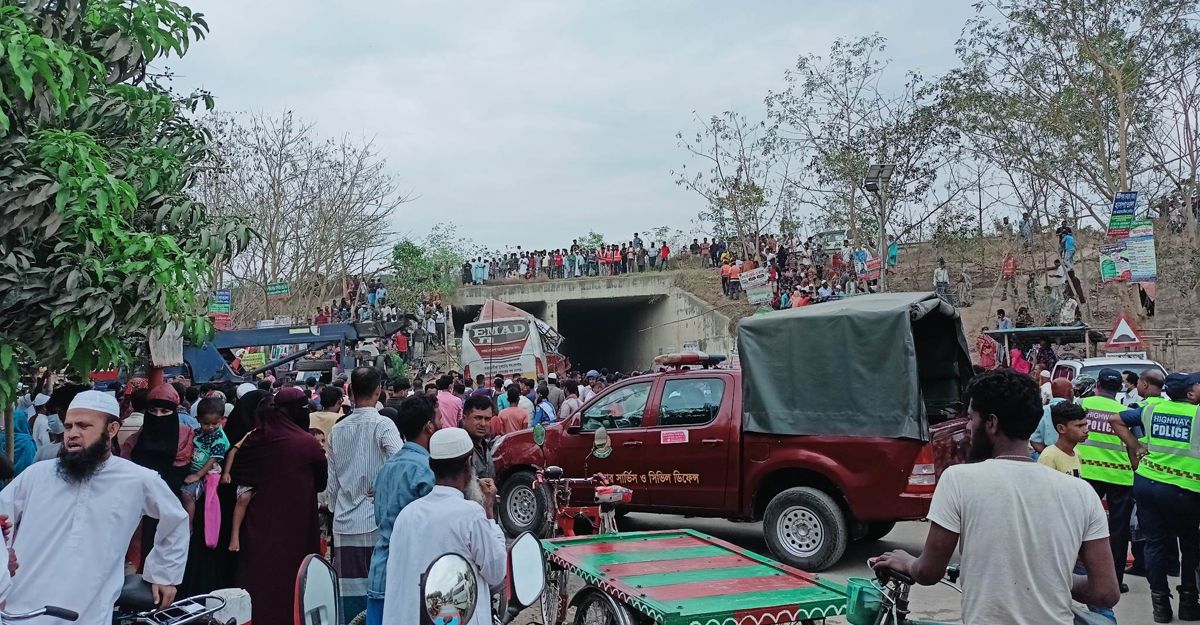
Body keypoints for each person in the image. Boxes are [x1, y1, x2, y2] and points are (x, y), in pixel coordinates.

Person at [872, 369, 1119, 625]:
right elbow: (1106, 592)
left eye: (971, 418)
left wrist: (907, 562)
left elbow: (929, 572)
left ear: (992, 423)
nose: (967, 427)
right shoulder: (1082, 493)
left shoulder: (959, 480)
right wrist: (1052, 578)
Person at [0, 390, 189, 623]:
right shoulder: (37, 475)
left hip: (89, 610)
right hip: (20, 609)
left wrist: (163, 575)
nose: (72, 434)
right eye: (68, 426)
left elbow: (176, 520)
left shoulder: (138, 479)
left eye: (84, 426)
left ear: (111, 429)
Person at [382, 428, 506, 625]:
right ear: (469, 463)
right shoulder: (471, 514)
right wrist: (489, 513)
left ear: (432, 466)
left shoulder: (407, 514)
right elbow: (496, 572)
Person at [229, 387, 328, 625]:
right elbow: (321, 483)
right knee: (294, 581)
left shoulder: (255, 439)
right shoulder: (307, 444)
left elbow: (238, 471)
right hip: (297, 524)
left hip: (259, 524)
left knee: (261, 581)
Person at [1108, 371, 1200, 622]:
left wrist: (1136, 447)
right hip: (1184, 489)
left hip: (1147, 483)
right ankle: (1188, 603)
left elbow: (1115, 419)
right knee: (1190, 545)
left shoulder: (1153, 409)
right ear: (1190, 394)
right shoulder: (1197, 414)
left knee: (1154, 544)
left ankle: (1160, 606)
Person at [328, 367, 404, 623]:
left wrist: (332, 508)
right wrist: (382, 483)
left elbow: (332, 483)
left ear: (350, 391)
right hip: (375, 520)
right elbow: (399, 459)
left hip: (343, 523)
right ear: (378, 391)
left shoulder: (338, 429)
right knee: (378, 590)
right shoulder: (383, 424)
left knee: (349, 596)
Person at [365, 394, 437, 625]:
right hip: (410, 578)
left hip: (380, 572)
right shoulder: (427, 470)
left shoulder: (386, 468)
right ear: (429, 426)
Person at [1077, 368, 1135, 594]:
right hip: (1120, 477)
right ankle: (1115, 580)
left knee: (1081, 526)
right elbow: (1134, 445)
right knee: (1119, 531)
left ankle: (1080, 576)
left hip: (1087, 474)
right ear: (1119, 388)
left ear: (1097, 386)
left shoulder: (1082, 405)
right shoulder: (1125, 412)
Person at [180, 398, 229, 531]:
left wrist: (197, 475)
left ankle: (188, 526)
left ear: (222, 419)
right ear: (198, 419)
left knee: (186, 495)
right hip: (190, 470)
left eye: (215, 423)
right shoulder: (197, 432)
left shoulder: (219, 438)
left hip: (204, 475)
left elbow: (213, 459)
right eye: (206, 423)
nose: (211, 427)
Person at [1037, 402, 1089, 477]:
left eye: (1085, 425)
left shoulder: (1077, 454)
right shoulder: (1049, 457)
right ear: (1061, 428)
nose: (1086, 430)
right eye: (1079, 426)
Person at [1031, 378, 1074, 455]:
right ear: (1070, 392)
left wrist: (1048, 453)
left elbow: (1034, 440)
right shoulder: (1076, 411)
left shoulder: (1042, 411)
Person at [462, 395, 496, 480]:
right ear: (464, 418)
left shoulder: (485, 444)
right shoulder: (460, 449)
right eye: (478, 418)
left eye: (487, 419)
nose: (483, 424)